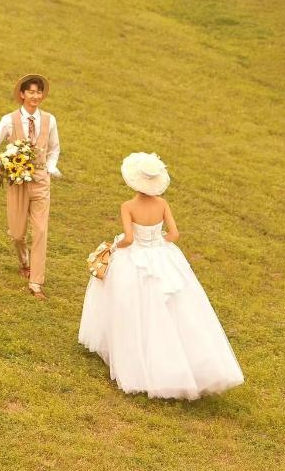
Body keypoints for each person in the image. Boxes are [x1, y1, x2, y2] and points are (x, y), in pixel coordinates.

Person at [78, 152, 244, 400]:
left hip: (137, 257)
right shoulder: (163, 204)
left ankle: (132, 356)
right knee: (174, 307)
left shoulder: (128, 206)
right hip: (161, 255)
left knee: (131, 304)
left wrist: (113, 248)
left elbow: (129, 238)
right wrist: (158, 244)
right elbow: (174, 234)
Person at [0, 74, 61, 300]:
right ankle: (24, 261)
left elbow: (55, 148)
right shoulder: (9, 120)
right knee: (17, 234)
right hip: (17, 181)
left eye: (39, 92)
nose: (35, 96)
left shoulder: (50, 120)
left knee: (40, 231)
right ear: (22, 94)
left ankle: (36, 283)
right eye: (31, 92)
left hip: (41, 182)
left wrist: (49, 167)